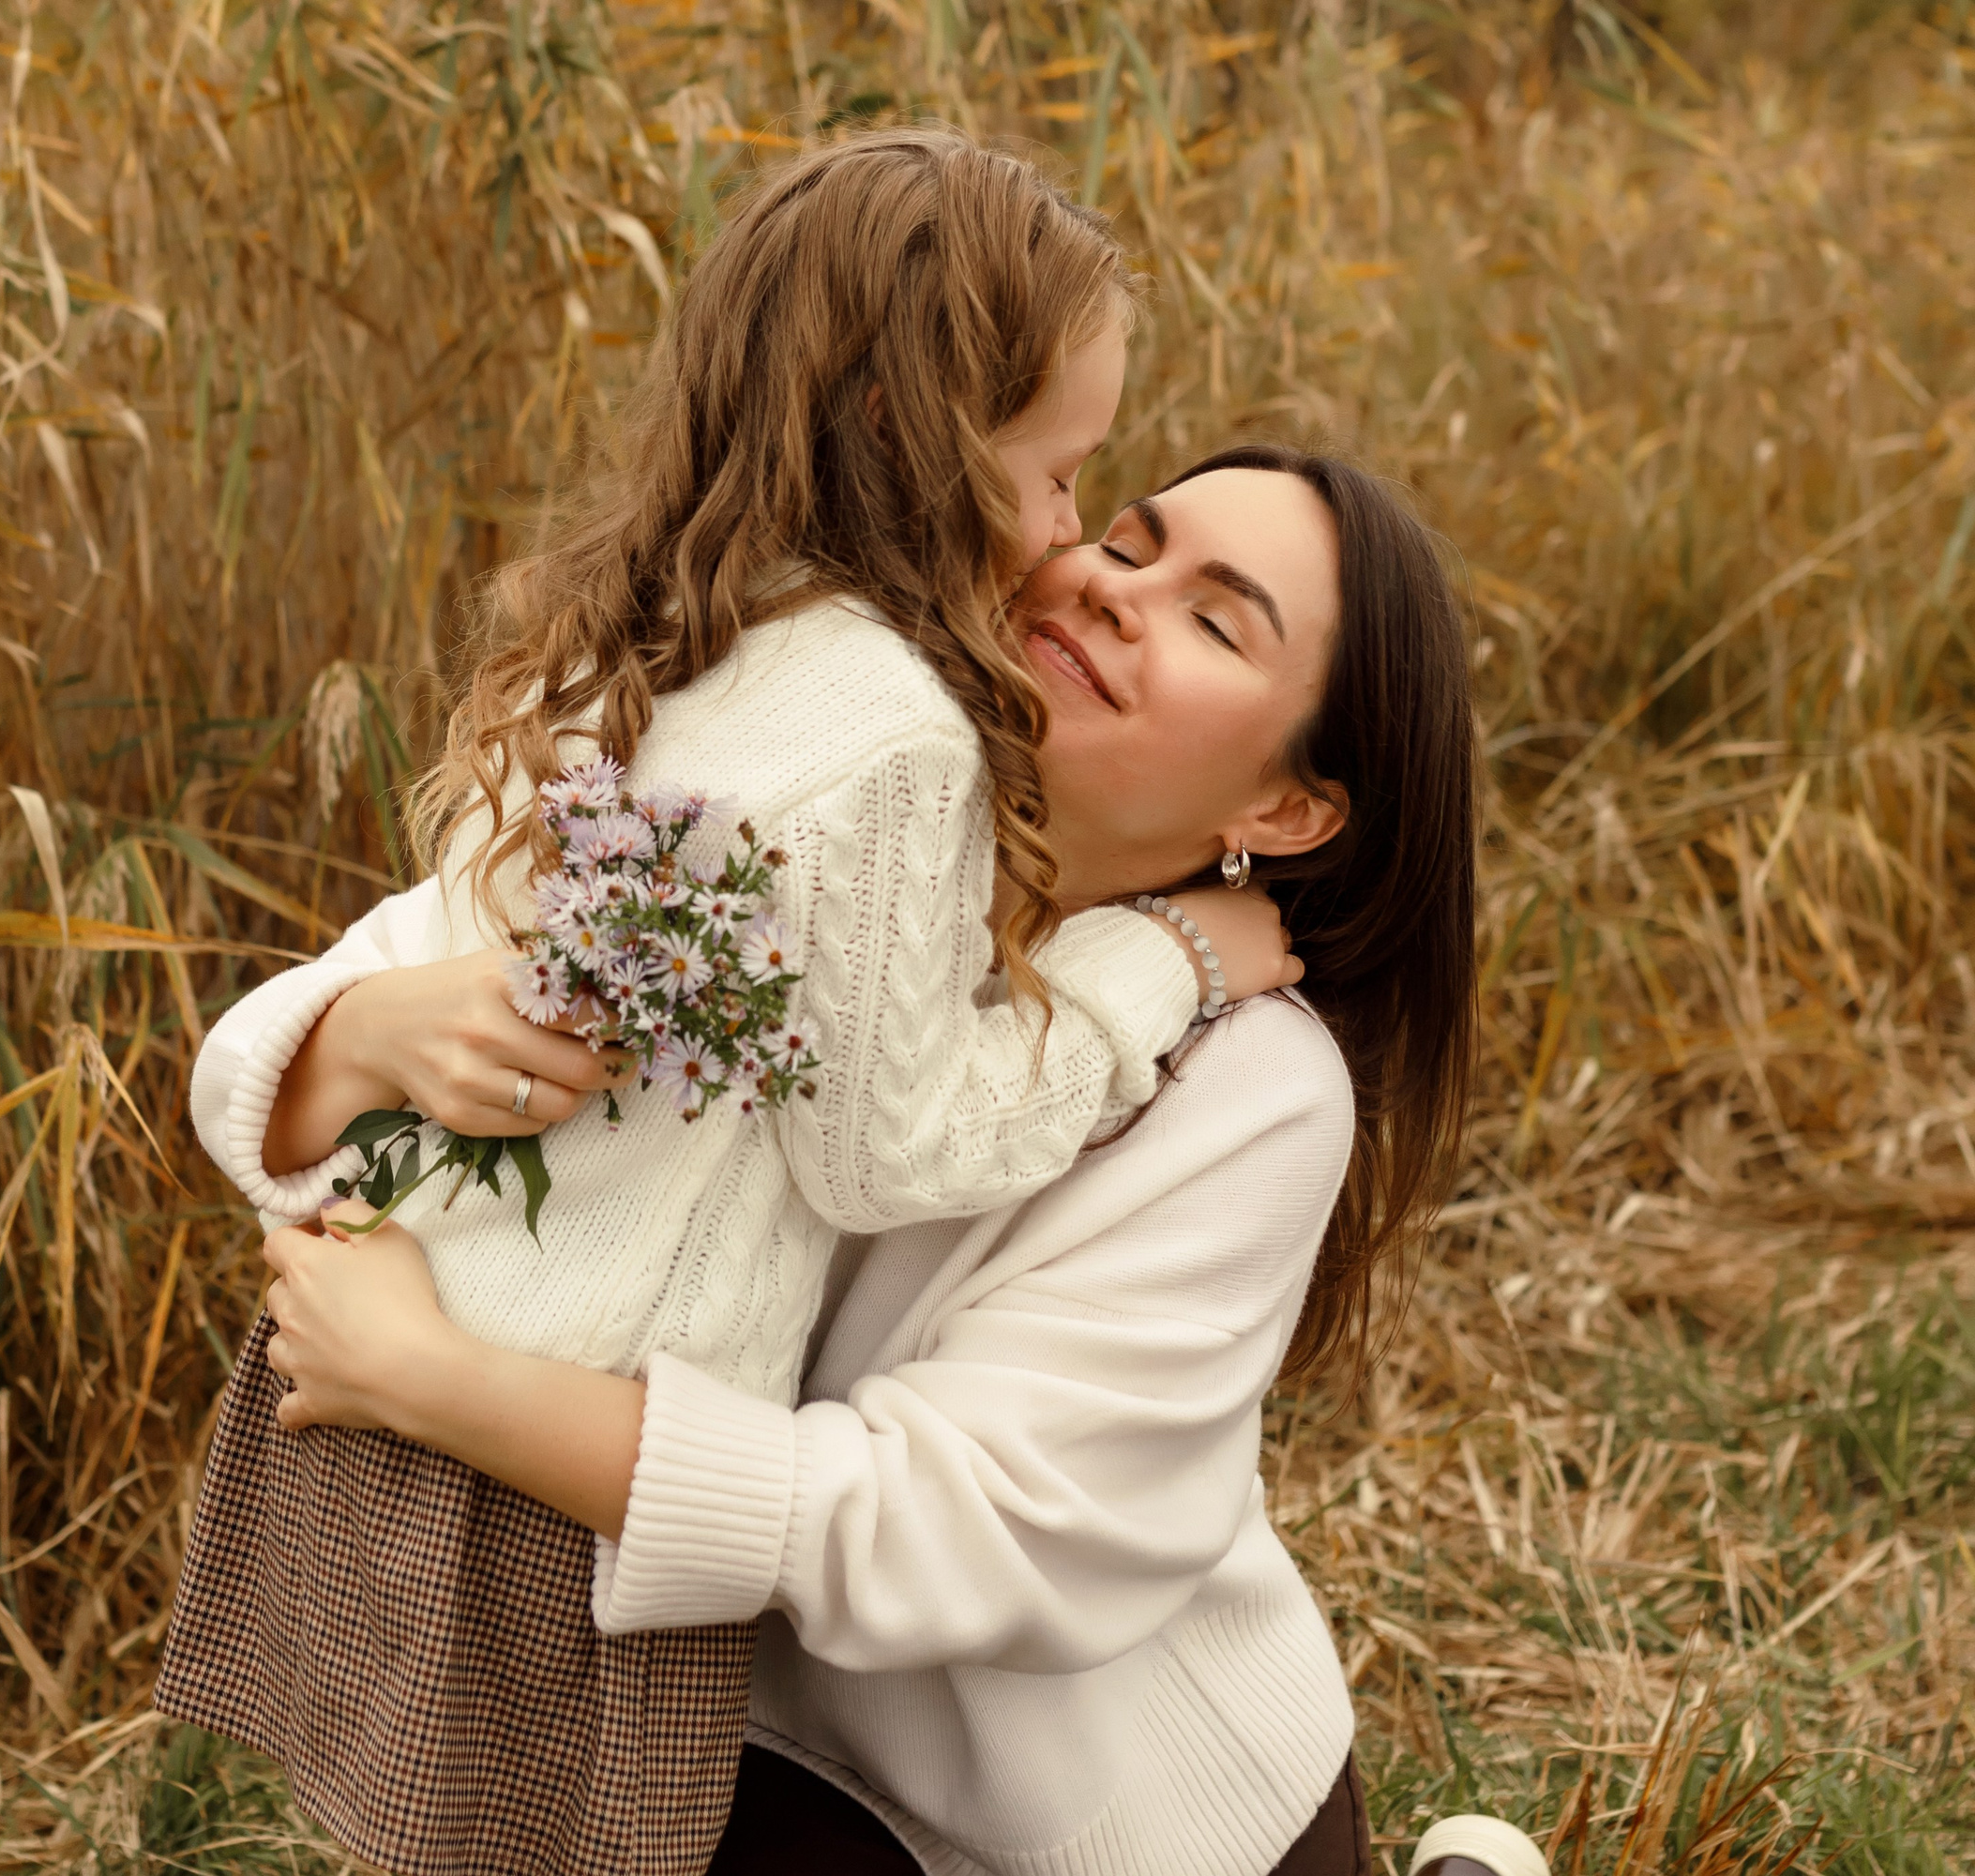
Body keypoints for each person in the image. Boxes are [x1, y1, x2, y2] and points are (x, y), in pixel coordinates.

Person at [156, 132, 1301, 1876]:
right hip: (543, 1469)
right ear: (929, 440)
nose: (1072, 542)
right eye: (1071, 482)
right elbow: (887, 1149)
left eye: (1210, 614)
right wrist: (1156, 966)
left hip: (416, 1388)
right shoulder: (896, 746)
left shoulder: (641, 629)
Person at [198, 446, 1550, 1876]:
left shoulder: (1254, 1091)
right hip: (736, 1756)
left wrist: (447, 1385)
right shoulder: (820, 822)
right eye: (1129, 541)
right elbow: (264, 1073)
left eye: (1216, 619)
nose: (1111, 590)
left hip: (1087, 1831)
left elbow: (963, 1529)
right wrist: (373, 1033)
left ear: (1286, 815)